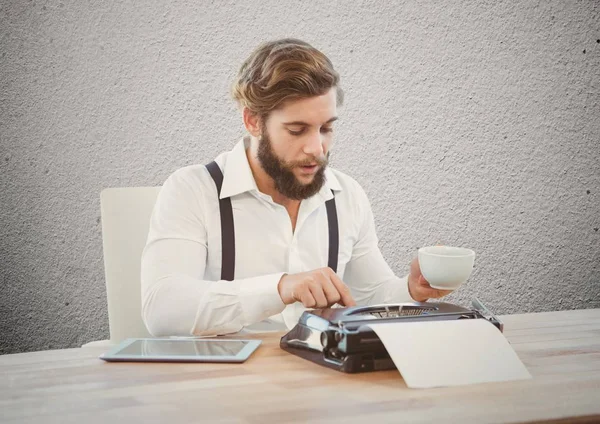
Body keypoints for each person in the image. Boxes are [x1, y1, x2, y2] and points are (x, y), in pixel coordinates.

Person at [141, 38, 452, 337]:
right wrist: (280, 287)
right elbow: (162, 308)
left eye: (326, 128)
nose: (317, 148)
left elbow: (370, 296)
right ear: (253, 121)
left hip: (320, 378)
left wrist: (411, 289)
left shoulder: (348, 196)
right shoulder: (192, 190)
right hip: (228, 384)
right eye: (297, 130)